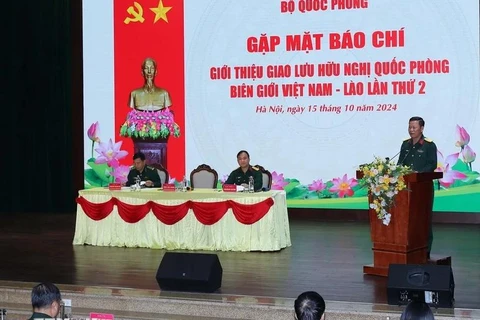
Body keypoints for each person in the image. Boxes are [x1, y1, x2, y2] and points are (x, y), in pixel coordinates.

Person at [397, 116, 437, 259]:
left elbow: (432, 164)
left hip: (422, 188)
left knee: (423, 219)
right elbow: (399, 164)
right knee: (408, 219)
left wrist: (418, 173)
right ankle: (410, 248)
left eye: (414, 127)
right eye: (410, 127)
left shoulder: (428, 145)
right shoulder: (405, 144)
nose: (411, 130)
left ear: (421, 128)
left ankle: (425, 249)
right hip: (406, 188)